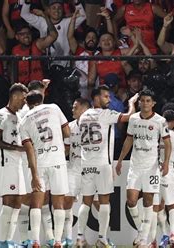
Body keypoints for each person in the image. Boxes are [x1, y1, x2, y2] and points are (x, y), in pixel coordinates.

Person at [76, 86, 139, 247]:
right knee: (104, 202)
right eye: (106, 96)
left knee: (86, 202)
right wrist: (131, 102)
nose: (109, 100)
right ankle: (102, 239)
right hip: (102, 163)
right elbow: (129, 116)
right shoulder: (105, 114)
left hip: (86, 163)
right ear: (96, 98)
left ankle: (80, 238)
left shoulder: (83, 116)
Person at [116, 89, 172, 247]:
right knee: (131, 200)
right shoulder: (133, 119)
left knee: (148, 201)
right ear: (139, 102)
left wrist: (166, 162)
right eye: (143, 101)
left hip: (152, 167)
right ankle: (142, 232)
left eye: (148, 101)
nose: (145, 103)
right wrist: (120, 160)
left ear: (153, 103)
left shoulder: (160, 121)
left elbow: (167, 143)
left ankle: (142, 240)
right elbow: (128, 140)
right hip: (135, 166)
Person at [20, 90, 71, 248]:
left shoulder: (24, 121)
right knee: (58, 203)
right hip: (58, 160)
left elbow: (29, 151)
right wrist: (63, 146)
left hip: (40, 163)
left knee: (36, 203)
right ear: (42, 99)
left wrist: (34, 175)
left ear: (27, 104)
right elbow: (67, 131)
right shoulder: (54, 108)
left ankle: (35, 241)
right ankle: (57, 241)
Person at [0, 83, 29, 248]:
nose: (24, 102)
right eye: (23, 98)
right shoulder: (1, 115)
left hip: (18, 163)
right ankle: (1, 241)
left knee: (17, 202)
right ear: (14, 96)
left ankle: (9, 241)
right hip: (6, 162)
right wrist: (17, 148)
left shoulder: (18, 116)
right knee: (8, 201)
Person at [149, 109, 174, 247]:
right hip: (168, 171)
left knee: (155, 207)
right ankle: (172, 236)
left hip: (152, 171)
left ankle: (156, 239)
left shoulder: (154, 132)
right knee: (172, 206)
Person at [62, 98, 91, 247]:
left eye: (75, 107)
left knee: (97, 204)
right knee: (67, 201)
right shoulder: (69, 127)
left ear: (84, 109)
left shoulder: (94, 126)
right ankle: (67, 239)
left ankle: (89, 238)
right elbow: (66, 148)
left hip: (90, 170)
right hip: (73, 168)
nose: (72, 110)